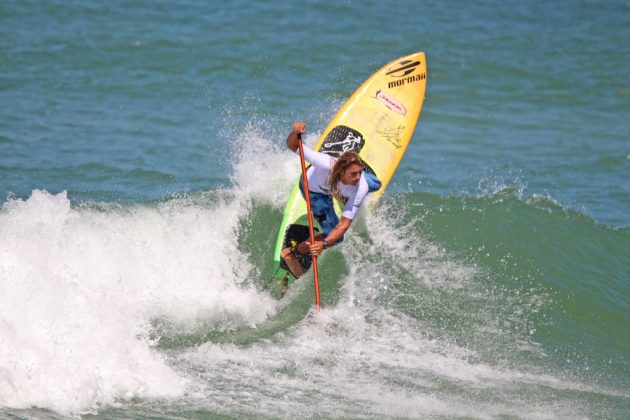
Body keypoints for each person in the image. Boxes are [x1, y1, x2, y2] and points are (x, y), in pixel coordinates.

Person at [281, 122, 381, 277]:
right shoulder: (323, 163)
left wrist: (324, 244)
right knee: (337, 237)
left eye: (360, 172)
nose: (358, 178)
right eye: (353, 174)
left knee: (374, 184)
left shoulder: (360, 186)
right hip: (314, 191)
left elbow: (344, 224)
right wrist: (295, 132)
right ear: (341, 171)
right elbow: (293, 145)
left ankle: (341, 191)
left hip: (336, 186)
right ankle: (292, 253)